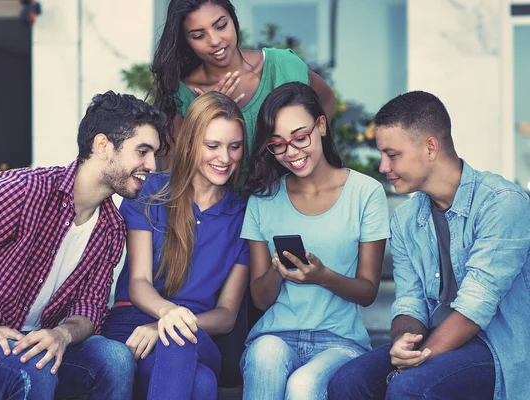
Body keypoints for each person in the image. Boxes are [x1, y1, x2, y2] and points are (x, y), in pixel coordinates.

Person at [0, 91, 167, 400]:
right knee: (35, 367)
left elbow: (91, 307)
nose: (151, 164)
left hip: (36, 344)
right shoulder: (25, 190)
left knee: (116, 359)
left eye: (154, 154)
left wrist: (62, 333)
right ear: (103, 146)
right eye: (143, 151)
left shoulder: (111, 228)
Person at [327, 91, 530, 400]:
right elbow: (409, 301)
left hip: (498, 347)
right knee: (347, 382)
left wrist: (412, 364)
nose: (382, 166)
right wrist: (401, 343)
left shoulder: (502, 203)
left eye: (392, 154)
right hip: (436, 337)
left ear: (430, 147)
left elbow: (475, 307)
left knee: (409, 388)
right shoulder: (407, 218)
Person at [239, 82, 390, 399]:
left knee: (304, 385)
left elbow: (367, 292)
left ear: (321, 125)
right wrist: (278, 270)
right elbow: (259, 298)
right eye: (277, 144)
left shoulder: (365, 192)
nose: (291, 153)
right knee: (265, 356)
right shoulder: (263, 200)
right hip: (275, 335)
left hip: (340, 341)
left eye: (300, 137)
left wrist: (323, 276)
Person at [101, 91, 250, 400]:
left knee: (177, 340)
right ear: (191, 143)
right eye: (213, 146)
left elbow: (226, 315)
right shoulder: (150, 191)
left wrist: (167, 325)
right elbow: (139, 282)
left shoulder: (244, 215)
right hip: (133, 325)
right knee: (202, 384)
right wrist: (166, 314)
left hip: (198, 332)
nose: (225, 158)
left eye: (234, 147)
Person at [152, 0, 336, 173]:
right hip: (224, 205)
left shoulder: (282, 66)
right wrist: (208, 112)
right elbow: (171, 169)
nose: (215, 40)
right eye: (198, 35)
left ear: (233, 20)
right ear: (186, 41)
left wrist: (306, 156)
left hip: (288, 199)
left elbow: (326, 99)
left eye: (221, 26)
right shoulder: (183, 92)